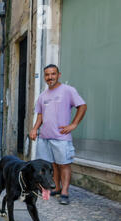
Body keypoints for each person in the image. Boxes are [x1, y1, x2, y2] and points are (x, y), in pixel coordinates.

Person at [29, 64, 87, 205]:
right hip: (45, 137)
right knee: (52, 165)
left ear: (58, 75)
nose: (50, 77)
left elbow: (82, 106)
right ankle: (57, 188)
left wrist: (73, 124)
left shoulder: (68, 90)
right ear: (44, 77)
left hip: (61, 137)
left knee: (64, 164)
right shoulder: (42, 96)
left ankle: (65, 192)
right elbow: (40, 115)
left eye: (53, 74)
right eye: (47, 75)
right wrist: (34, 128)